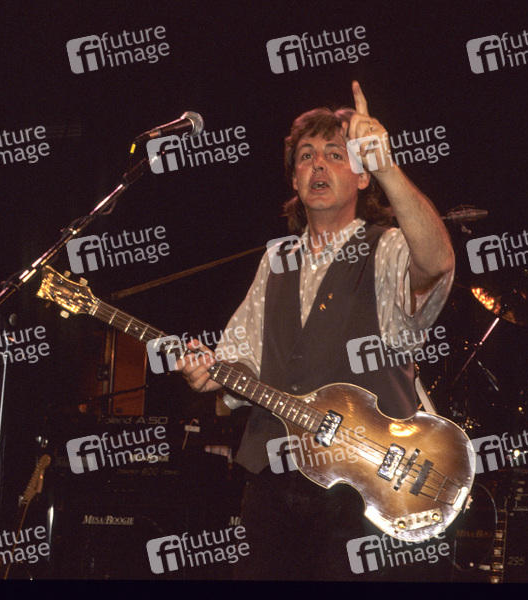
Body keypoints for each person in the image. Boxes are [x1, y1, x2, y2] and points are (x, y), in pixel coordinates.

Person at [179, 81, 455, 580]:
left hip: (360, 487)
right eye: (306, 156)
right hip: (273, 478)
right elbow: (242, 359)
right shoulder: (276, 260)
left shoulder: (386, 247)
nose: (318, 165)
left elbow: (436, 262)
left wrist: (386, 164)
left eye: (335, 154)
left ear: (362, 178)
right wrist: (211, 374)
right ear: (294, 179)